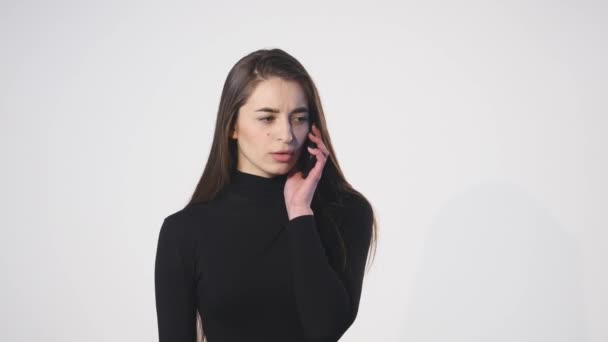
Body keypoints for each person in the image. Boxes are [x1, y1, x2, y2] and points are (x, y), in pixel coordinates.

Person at [154, 48, 378, 342]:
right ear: (232, 125)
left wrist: (299, 211)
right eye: (267, 118)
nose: (286, 134)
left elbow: (325, 329)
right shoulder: (184, 232)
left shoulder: (345, 211)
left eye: (298, 118)